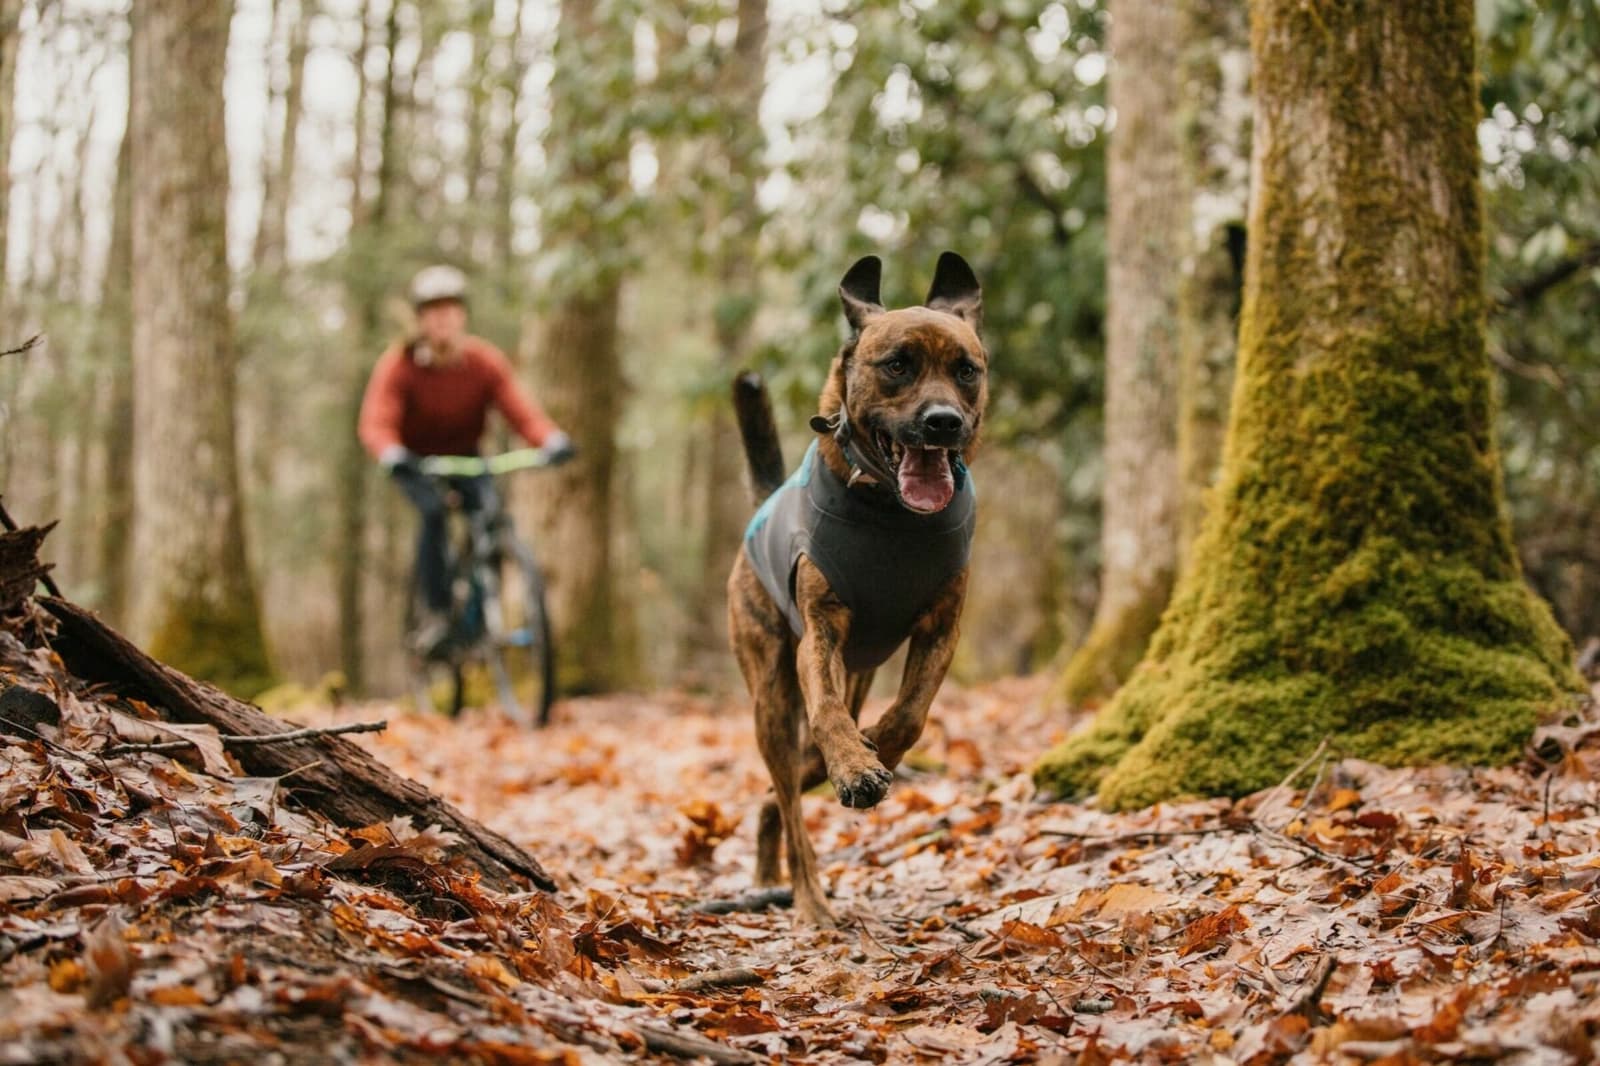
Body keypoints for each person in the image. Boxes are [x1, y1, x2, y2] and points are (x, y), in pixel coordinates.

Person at [358, 264, 575, 654]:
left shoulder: (484, 362)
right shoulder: (400, 365)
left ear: (463, 315)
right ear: (420, 319)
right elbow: (377, 421)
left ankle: (479, 616)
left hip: (468, 458)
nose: (443, 319)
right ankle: (439, 615)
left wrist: (551, 439)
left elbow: (521, 411)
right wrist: (391, 452)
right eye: (433, 311)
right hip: (416, 461)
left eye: (451, 309)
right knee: (434, 512)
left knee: (490, 519)